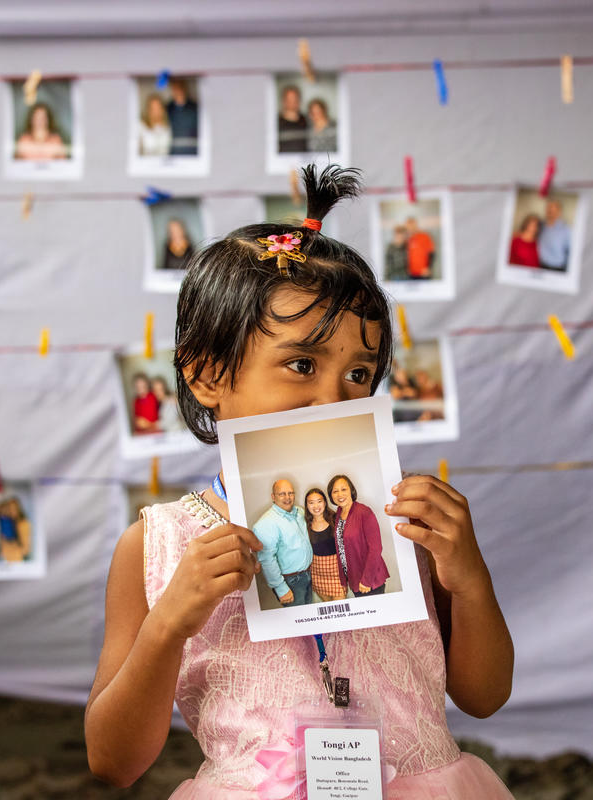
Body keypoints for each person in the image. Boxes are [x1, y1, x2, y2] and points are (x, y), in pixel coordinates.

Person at [87, 164, 514, 798]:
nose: (332, 399)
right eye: (302, 363)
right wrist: (169, 624)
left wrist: (468, 574)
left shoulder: (406, 520)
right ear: (206, 375)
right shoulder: (157, 546)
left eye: (359, 373)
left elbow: (484, 697)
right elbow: (114, 762)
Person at [252, 479, 313, 607]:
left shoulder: (300, 512)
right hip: (291, 582)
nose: (287, 498)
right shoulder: (266, 523)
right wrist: (281, 588)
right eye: (282, 494)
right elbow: (267, 559)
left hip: (309, 575)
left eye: (291, 493)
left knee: (310, 616)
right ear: (273, 497)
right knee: (298, 621)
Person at [328, 474, 388, 597]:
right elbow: (341, 548)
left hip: (369, 582)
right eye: (335, 491)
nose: (340, 495)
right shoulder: (339, 513)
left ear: (351, 490)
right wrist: (343, 581)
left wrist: (367, 580)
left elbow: (376, 549)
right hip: (354, 580)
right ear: (331, 495)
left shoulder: (364, 512)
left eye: (343, 489)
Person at [305, 488, 345, 602]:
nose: (316, 506)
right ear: (307, 505)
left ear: (325, 502)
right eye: (311, 502)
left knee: (340, 609)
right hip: (317, 574)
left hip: (337, 573)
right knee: (327, 606)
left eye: (319, 501)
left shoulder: (336, 518)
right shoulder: (305, 523)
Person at [166, 78, 199, 156]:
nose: (177, 91)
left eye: (180, 88)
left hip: (192, 152)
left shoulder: (195, 108)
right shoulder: (168, 108)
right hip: (174, 153)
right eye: (175, 88)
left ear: (184, 89)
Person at [537, 199, 571, 271]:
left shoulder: (566, 230)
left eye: (552, 210)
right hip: (540, 266)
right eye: (548, 209)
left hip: (557, 268)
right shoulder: (540, 225)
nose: (550, 212)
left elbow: (570, 252)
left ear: (559, 212)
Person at [0, 496, 32, 563]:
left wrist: (12, 551)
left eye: (14, 508)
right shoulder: (9, 522)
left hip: (18, 560)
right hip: (8, 559)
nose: (11, 511)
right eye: (9, 509)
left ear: (18, 508)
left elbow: (26, 549)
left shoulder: (23, 523)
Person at [276, 84, 308, 153]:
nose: (293, 102)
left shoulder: (306, 120)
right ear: (284, 101)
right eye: (289, 99)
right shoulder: (276, 122)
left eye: (295, 98)